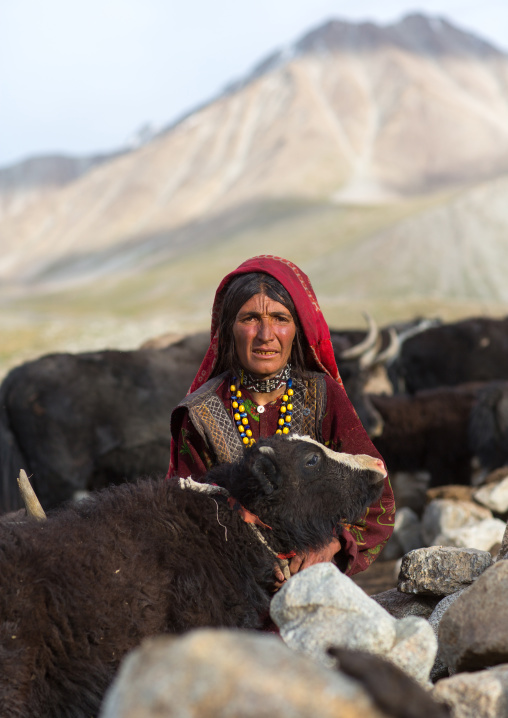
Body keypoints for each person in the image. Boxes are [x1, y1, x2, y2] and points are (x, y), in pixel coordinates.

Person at [168, 255, 395, 582]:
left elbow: (378, 501)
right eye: (250, 318)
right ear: (228, 329)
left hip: (313, 585)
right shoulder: (200, 413)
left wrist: (331, 545)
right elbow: (186, 520)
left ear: (297, 330)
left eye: (279, 318)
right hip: (228, 593)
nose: (265, 334)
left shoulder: (324, 396)